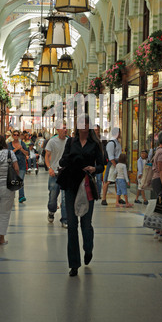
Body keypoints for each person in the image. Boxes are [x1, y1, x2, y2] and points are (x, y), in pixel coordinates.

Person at [59, 114, 104, 276]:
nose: (83, 125)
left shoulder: (95, 144)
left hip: (87, 186)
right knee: (72, 225)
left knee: (86, 224)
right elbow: (62, 161)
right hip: (71, 184)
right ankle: (74, 264)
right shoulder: (71, 142)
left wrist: (94, 169)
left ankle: (88, 248)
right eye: (80, 123)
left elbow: (101, 165)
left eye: (86, 123)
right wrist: (70, 160)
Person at [45, 124, 68, 228]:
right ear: (58, 129)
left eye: (66, 127)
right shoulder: (52, 142)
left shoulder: (69, 142)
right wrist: (49, 168)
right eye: (63, 128)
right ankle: (51, 211)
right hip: (54, 173)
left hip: (65, 174)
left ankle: (65, 219)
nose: (65, 129)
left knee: (64, 198)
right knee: (53, 198)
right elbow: (47, 156)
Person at [101, 127, 122, 206]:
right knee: (107, 181)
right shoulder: (111, 143)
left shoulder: (117, 142)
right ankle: (104, 199)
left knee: (118, 181)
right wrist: (116, 166)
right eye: (120, 132)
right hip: (113, 164)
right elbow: (111, 157)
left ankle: (119, 198)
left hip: (117, 163)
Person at [8, 130, 28, 203]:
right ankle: (11, 196)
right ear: (12, 136)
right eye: (14, 135)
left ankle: (21, 196)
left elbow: (27, 153)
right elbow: (8, 154)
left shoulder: (22, 144)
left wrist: (21, 149)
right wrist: (16, 149)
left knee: (20, 180)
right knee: (12, 181)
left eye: (17, 135)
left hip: (21, 165)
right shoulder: (9, 144)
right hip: (12, 165)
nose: (16, 136)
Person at [93, 124, 105, 199]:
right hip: (92, 160)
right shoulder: (90, 139)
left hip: (99, 161)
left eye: (97, 130)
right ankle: (93, 192)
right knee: (92, 178)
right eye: (94, 130)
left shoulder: (102, 139)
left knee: (99, 178)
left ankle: (98, 193)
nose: (96, 132)